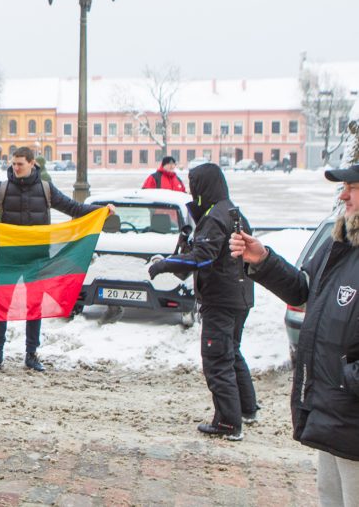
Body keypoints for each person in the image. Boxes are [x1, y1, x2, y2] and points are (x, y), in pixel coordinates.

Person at [230, 165, 359, 505]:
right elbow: (304, 289)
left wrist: (349, 380)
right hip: (333, 412)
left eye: (352, 186)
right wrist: (264, 260)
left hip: (351, 413)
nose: (342, 194)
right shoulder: (341, 246)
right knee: (330, 499)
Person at [0, 146, 107, 373]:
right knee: (0, 304)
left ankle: (31, 354)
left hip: (36, 258)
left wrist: (100, 211)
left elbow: (73, 207)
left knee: (34, 306)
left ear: (33, 164)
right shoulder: (2, 189)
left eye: (20, 163)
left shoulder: (45, 189)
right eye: (13, 164)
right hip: (8, 257)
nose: (16, 167)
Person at [148, 163, 257, 441]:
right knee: (232, 352)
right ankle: (246, 408)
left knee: (217, 358)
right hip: (239, 295)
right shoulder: (232, 211)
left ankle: (228, 423)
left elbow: (204, 257)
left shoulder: (214, 216)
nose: (191, 189)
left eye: (193, 184)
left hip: (221, 297)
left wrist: (165, 264)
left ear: (204, 186)